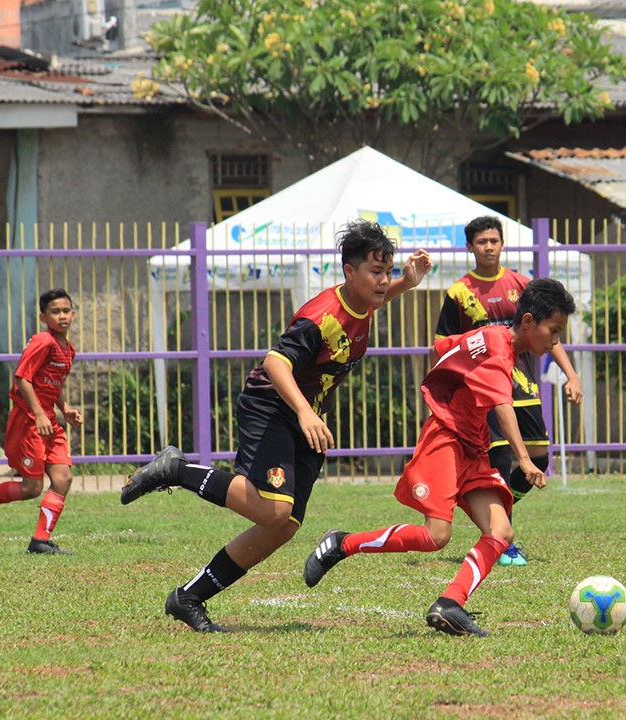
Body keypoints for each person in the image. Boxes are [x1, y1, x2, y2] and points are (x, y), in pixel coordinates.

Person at [119, 220, 432, 633]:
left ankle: (189, 597)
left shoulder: (363, 301)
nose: (383, 281)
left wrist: (406, 283)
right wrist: (305, 412)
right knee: (275, 508)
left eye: (387, 271)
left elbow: (372, 302)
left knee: (281, 526)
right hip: (272, 406)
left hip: (304, 417)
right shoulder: (321, 317)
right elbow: (275, 362)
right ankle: (176, 470)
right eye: (376, 272)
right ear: (349, 272)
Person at [304, 278, 578, 636]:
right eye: (553, 331)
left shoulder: (493, 335)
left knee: (501, 531)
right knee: (436, 536)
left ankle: (450, 604)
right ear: (528, 321)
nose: (555, 341)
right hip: (446, 439)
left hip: (473, 446)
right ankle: (343, 543)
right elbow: (502, 404)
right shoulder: (499, 351)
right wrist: (525, 461)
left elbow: (445, 347)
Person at [433, 215, 582, 567]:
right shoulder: (459, 293)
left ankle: (495, 513)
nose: (489, 247)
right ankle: (503, 540)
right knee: (500, 457)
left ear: (503, 244)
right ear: (470, 247)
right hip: (485, 384)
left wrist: (571, 375)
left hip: (523, 382)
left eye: (494, 241)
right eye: (481, 242)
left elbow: (550, 335)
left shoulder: (522, 286)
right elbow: (440, 345)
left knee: (540, 457)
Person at [0, 289, 83, 554]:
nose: (62, 316)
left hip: (49, 420)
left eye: (66, 311)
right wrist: (40, 413)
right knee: (31, 487)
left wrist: (65, 409)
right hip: (29, 419)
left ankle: (40, 541)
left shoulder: (68, 349)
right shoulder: (43, 341)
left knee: (62, 478)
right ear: (43, 316)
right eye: (55, 312)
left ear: (73, 314)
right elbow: (23, 378)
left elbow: (52, 384)